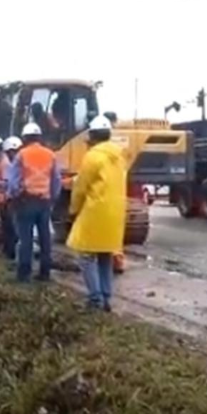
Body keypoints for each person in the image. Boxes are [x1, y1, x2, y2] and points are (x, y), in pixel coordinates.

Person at [66, 115, 127, 311]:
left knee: (86, 255)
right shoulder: (119, 156)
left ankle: (95, 299)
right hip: (116, 212)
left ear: (92, 136)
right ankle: (106, 298)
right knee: (105, 254)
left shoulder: (92, 156)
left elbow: (81, 188)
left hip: (96, 211)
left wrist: (73, 210)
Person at [7, 123, 61, 282]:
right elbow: (56, 180)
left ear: (25, 138)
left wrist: (13, 197)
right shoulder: (50, 155)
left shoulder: (21, 155)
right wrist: (52, 198)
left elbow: (13, 182)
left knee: (26, 240)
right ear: (39, 137)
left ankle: (24, 275)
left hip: (26, 201)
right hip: (44, 202)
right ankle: (45, 273)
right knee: (45, 239)